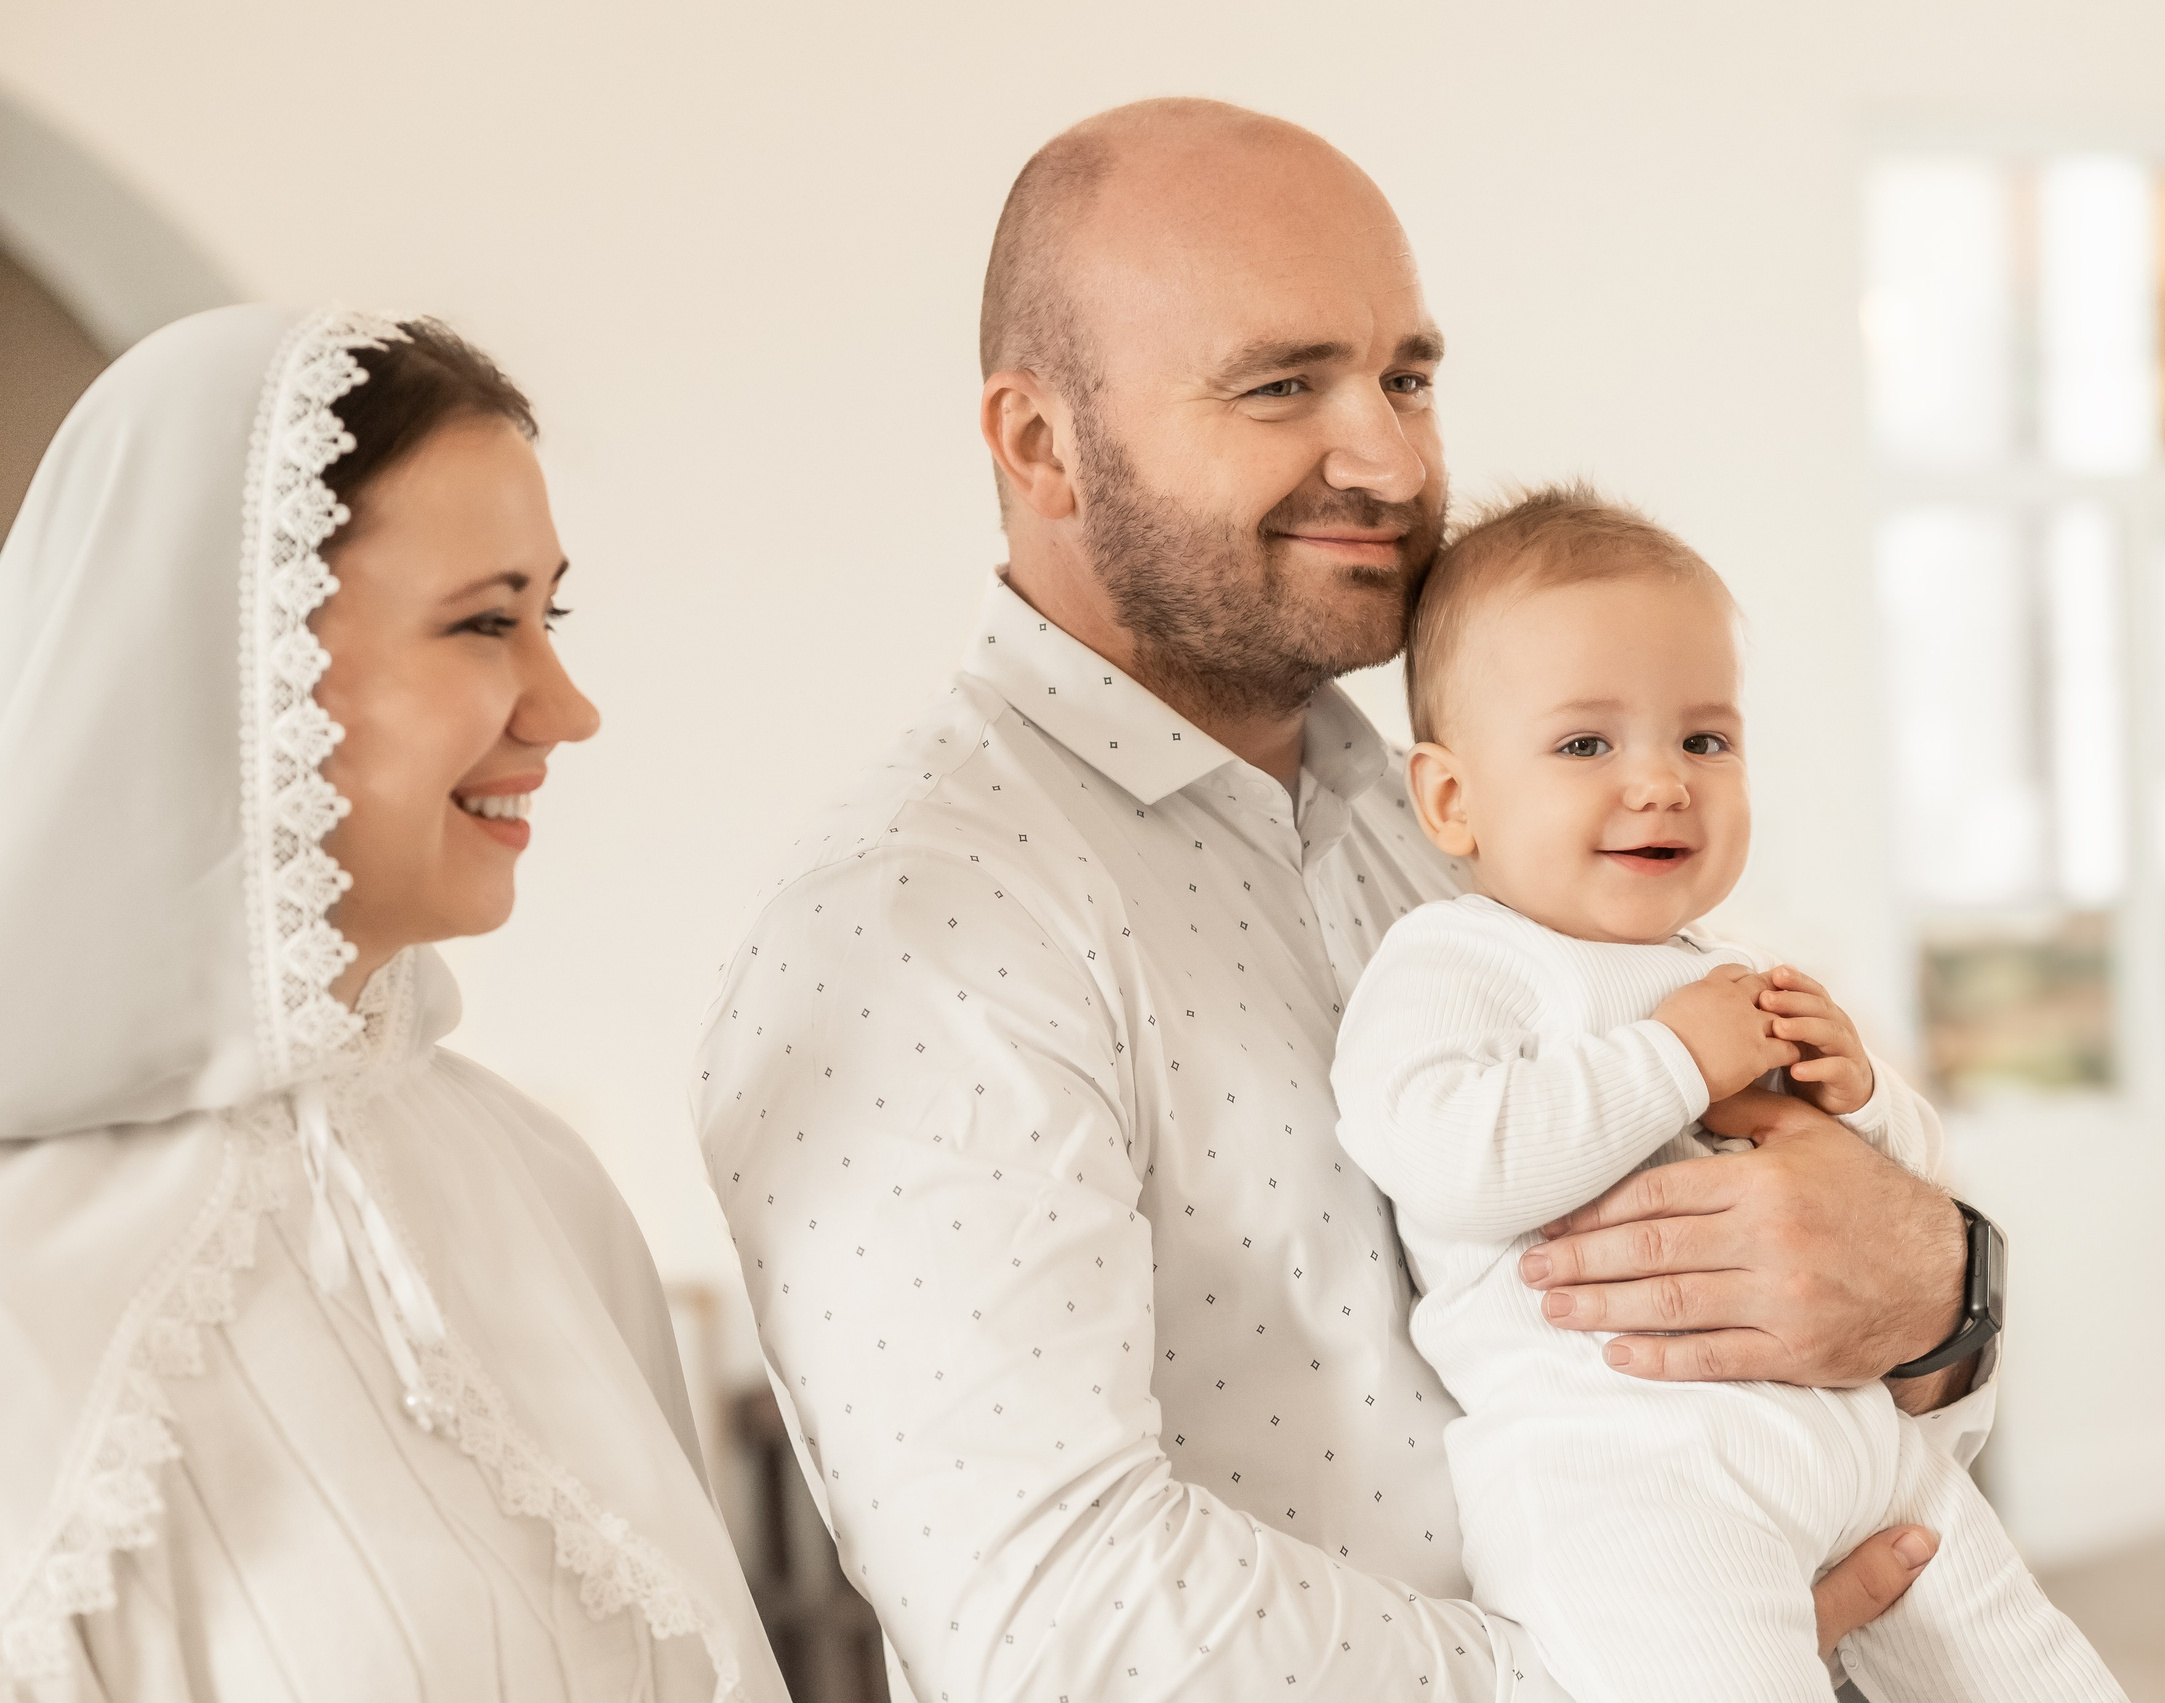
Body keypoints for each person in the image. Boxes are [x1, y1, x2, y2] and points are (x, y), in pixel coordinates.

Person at [698, 99, 1984, 1700]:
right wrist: (1637, 1663)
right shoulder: (914, 932)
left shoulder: (1457, 814)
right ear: (1040, 444)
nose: (1389, 455)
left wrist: (1940, 1286)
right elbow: (1056, 1627)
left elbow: (1822, 1320)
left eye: (1407, 376)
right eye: (1281, 384)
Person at [0, 305, 786, 1703]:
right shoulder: (26, 1276)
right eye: (487, 621)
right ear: (232, 663)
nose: (567, 705)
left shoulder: (546, 1193)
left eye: (553, 615)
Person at [1331, 487, 2120, 1701]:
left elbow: (1892, 1196)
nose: (1660, 783)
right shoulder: (1457, 961)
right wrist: (1675, 1062)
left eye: (1704, 739)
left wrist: (1862, 1101)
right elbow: (1443, 1156)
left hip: (1854, 1440)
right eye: (1586, 744)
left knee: (2041, 1671)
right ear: (1450, 799)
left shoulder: (1725, 966)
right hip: (1632, 1469)